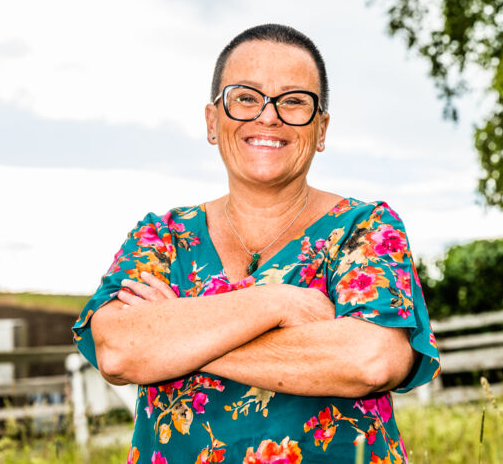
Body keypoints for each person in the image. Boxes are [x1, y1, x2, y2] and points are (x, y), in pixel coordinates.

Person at [73, 23, 440, 463]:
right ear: (213, 121)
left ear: (321, 129)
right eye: (245, 97)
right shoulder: (163, 237)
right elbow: (117, 350)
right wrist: (277, 304)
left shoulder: (364, 229)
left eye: (294, 102)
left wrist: (176, 342)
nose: (268, 116)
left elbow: (372, 359)